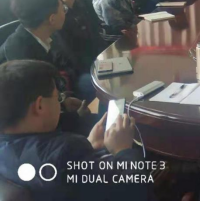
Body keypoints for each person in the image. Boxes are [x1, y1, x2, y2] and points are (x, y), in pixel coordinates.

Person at [0, 60, 150, 201]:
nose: (60, 103)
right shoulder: (65, 152)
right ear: (39, 106)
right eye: (58, 98)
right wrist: (122, 149)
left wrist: (89, 147)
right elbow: (135, 191)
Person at [0, 0, 92, 120]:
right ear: (52, 19)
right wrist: (75, 118)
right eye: (63, 9)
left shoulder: (44, 34)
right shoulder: (22, 59)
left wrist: (62, 101)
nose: (65, 12)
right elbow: (34, 115)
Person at [53, 0, 106, 80]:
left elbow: (94, 34)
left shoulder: (80, 4)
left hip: (97, 60)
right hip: (79, 71)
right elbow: (70, 55)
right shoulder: (60, 15)